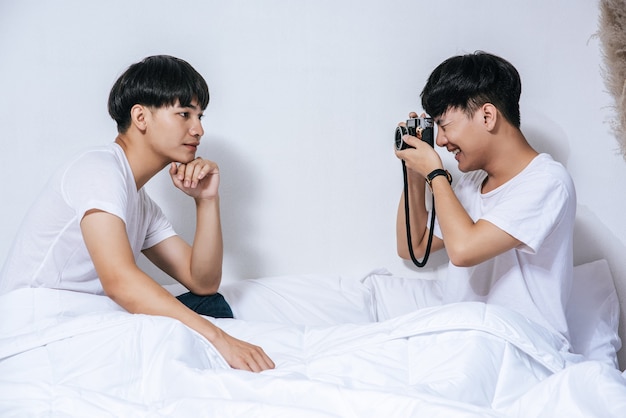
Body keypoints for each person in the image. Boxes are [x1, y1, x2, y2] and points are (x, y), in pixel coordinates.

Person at [0, 55, 275, 372]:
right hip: (41, 322)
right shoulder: (98, 169)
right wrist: (220, 339)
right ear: (141, 117)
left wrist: (206, 200)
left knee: (210, 305)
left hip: (91, 316)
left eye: (200, 116)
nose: (198, 129)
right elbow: (119, 281)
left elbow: (203, 282)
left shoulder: (139, 202)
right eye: (184, 114)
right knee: (198, 331)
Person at [395, 51, 576, 341]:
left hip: (522, 344)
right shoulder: (470, 184)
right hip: (465, 341)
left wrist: (435, 174)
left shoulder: (548, 181)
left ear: (487, 116)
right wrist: (414, 174)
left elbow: (464, 251)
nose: (440, 141)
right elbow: (413, 246)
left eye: (444, 124)